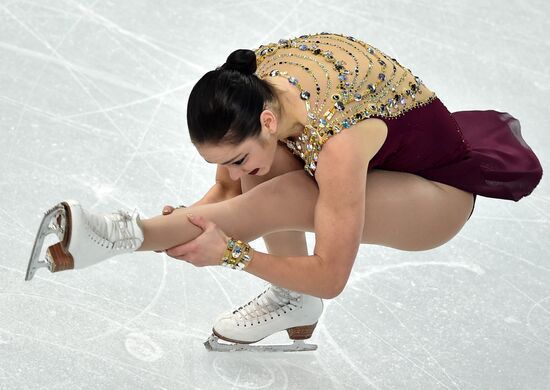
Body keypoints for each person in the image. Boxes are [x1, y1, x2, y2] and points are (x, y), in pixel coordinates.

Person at [26, 32, 543, 352]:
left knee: (289, 192)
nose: (227, 169)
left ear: (268, 119)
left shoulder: (337, 141)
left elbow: (333, 277)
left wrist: (231, 253)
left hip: (439, 198)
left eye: (231, 154)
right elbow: (229, 189)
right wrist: (197, 214)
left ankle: (118, 237)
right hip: (380, 170)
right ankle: (289, 302)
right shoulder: (254, 86)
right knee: (260, 172)